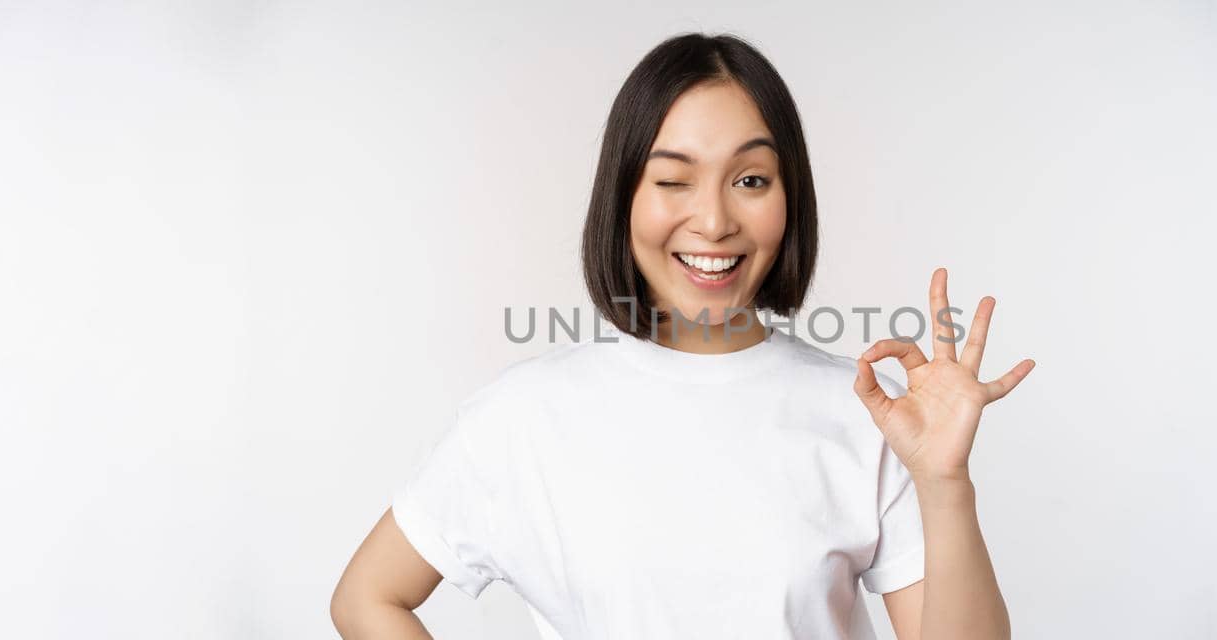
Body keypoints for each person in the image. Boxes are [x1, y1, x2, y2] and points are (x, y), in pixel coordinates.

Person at [330, 32, 1035, 640]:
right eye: (673, 180)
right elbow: (367, 597)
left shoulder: (866, 412)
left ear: (790, 202)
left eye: (751, 179)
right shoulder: (523, 418)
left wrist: (944, 483)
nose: (713, 220)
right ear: (623, 197)